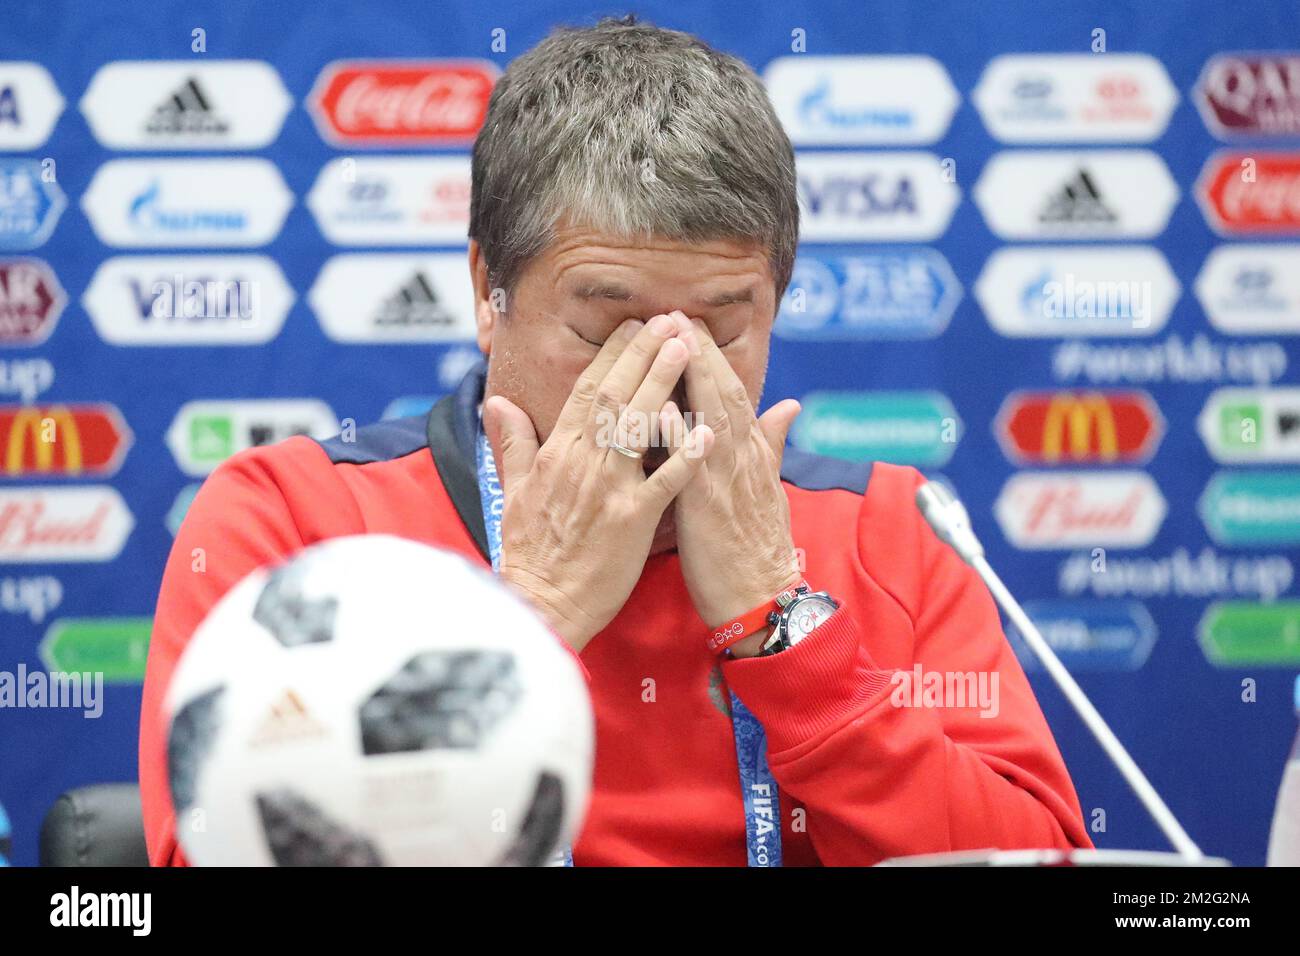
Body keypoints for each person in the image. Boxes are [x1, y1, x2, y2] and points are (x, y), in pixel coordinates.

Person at [139, 16, 1091, 866]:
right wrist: (528, 626)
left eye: (722, 328)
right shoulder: (296, 522)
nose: (662, 389)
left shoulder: (893, 531)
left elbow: (1045, 864)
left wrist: (787, 636)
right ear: (487, 292)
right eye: (605, 331)